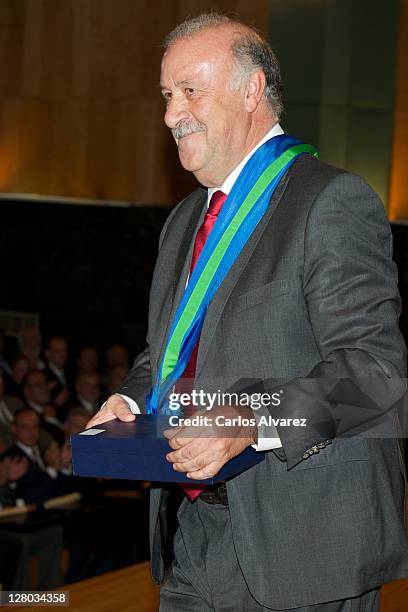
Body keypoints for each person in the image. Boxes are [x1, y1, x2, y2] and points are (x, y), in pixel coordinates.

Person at [87, 13, 408, 611]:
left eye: (190, 91)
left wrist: (245, 419)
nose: (170, 113)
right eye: (166, 94)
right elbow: (169, 352)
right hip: (190, 539)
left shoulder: (331, 202)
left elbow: (377, 378)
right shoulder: (184, 221)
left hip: (302, 548)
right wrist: (132, 400)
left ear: (252, 90)